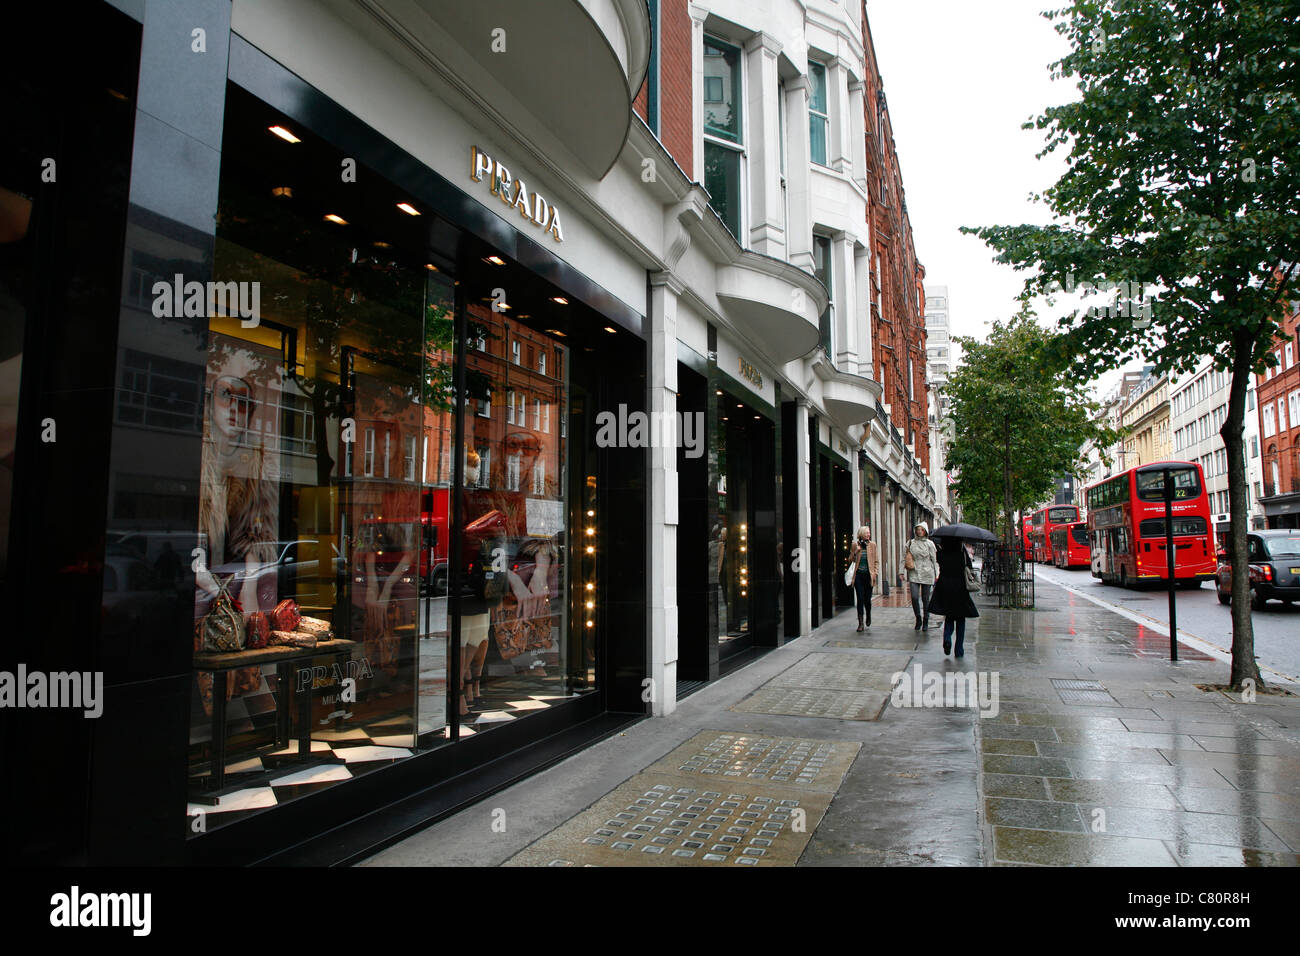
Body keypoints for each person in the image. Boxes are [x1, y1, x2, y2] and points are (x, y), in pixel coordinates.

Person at [928, 537, 979, 658]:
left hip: (945, 587)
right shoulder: (962, 553)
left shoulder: (941, 553)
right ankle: (959, 649)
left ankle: (947, 639)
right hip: (960, 588)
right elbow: (969, 566)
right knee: (960, 619)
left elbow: (939, 562)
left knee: (949, 616)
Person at [904, 521, 938, 630]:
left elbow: (934, 560)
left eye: (922, 530)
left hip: (927, 573)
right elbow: (904, 558)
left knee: (925, 599)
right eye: (918, 530)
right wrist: (901, 572)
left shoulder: (930, 544)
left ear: (925, 531)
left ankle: (926, 620)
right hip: (914, 572)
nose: (919, 532)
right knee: (914, 597)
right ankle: (918, 618)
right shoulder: (910, 543)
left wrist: (937, 574)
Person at [848, 526, 879, 631]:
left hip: (869, 576)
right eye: (867, 533)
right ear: (861, 534)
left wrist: (875, 573)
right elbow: (850, 560)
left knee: (867, 600)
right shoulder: (855, 545)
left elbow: (876, 561)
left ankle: (868, 614)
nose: (868, 534)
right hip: (858, 576)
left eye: (869, 533)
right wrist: (856, 551)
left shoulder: (873, 545)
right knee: (860, 599)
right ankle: (860, 623)